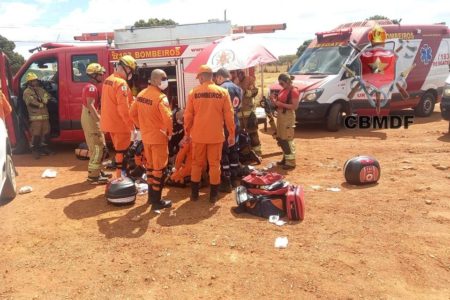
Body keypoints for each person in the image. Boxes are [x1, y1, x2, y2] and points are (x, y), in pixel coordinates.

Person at [184, 65, 235, 203]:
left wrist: (187, 133)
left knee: (196, 164)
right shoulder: (223, 92)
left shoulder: (193, 93)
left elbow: (188, 116)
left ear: (201, 77)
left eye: (199, 78)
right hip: (216, 136)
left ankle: (194, 194)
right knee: (214, 165)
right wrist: (231, 133)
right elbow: (229, 115)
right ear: (212, 76)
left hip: (198, 136)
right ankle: (213, 195)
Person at [130, 69, 172, 210]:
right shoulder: (161, 98)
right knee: (159, 170)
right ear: (155, 80)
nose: (166, 80)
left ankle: (150, 199)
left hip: (146, 138)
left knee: (150, 168)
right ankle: (157, 201)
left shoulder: (141, 95)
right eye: (164, 78)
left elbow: (132, 113)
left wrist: (141, 126)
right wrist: (169, 133)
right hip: (159, 138)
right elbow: (168, 118)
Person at [100, 55, 136, 179]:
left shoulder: (108, 79)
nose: (131, 74)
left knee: (119, 150)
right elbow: (123, 108)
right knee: (123, 152)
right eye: (131, 71)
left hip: (110, 123)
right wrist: (131, 126)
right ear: (126, 68)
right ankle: (121, 178)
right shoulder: (121, 83)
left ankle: (121, 177)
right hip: (120, 124)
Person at [213, 67, 242, 192]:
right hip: (235, 122)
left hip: (224, 124)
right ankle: (235, 178)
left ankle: (226, 181)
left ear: (219, 77)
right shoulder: (239, 88)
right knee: (234, 150)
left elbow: (219, 109)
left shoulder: (222, 89)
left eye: (216, 78)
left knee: (224, 152)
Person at [81, 63, 110, 184]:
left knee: (99, 145)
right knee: (97, 147)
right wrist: (99, 120)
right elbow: (90, 105)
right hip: (91, 118)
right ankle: (93, 176)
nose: (102, 76)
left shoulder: (89, 86)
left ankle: (98, 171)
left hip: (88, 117)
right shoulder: (91, 88)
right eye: (100, 74)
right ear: (94, 75)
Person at [270, 73, 300, 170]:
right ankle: (286, 158)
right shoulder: (284, 89)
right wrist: (275, 101)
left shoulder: (293, 91)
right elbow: (280, 102)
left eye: (282, 83)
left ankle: (291, 162)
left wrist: (281, 104)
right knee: (281, 138)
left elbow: (294, 107)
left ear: (287, 81)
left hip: (288, 117)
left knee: (287, 138)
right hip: (281, 116)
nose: (280, 85)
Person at [23, 72, 53, 159]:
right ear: (29, 82)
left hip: (45, 116)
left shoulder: (41, 89)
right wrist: (40, 103)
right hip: (35, 117)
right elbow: (30, 102)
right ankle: (35, 150)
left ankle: (44, 149)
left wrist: (45, 99)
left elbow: (47, 96)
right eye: (32, 81)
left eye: (35, 80)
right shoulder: (27, 92)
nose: (35, 82)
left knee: (46, 133)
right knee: (36, 135)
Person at [236, 69, 261, 157]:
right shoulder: (234, 82)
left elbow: (255, 92)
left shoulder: (250, 80)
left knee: (253, 133)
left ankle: (257, 152)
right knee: (241, 135)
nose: (239, 75)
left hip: (249, 113)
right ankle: (246, 154)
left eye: (241, 73)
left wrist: (245, 92)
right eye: (237, 73)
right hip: (239, 114)